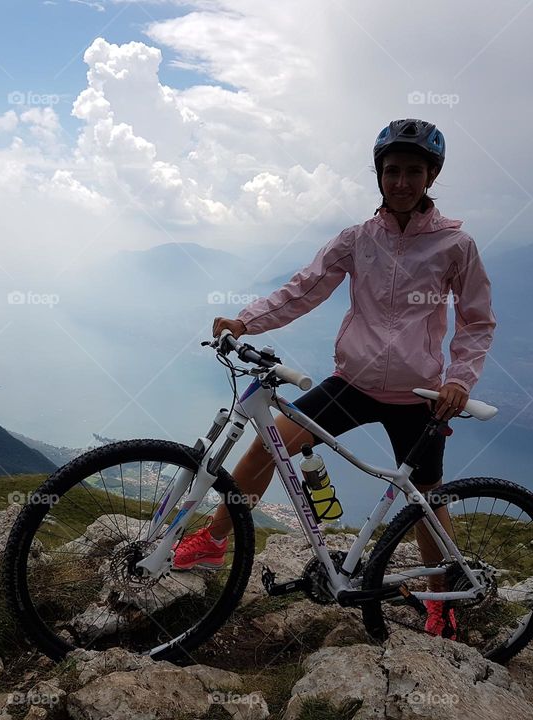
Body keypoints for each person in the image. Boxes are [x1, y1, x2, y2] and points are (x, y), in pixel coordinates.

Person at [173, 119, 496, 640]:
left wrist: (460, 379)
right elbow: (304, 289)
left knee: (427, 501)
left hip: (419, 397)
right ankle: (214, 541)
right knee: (266, 447)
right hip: (354, 382)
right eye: (392, 171)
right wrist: (246, 321)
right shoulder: (358, 239)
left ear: (432, 176)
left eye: (414, 171)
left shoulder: (456, 246)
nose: (402, 182)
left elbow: (477, 321)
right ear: (379, 175)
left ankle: (439, 598)